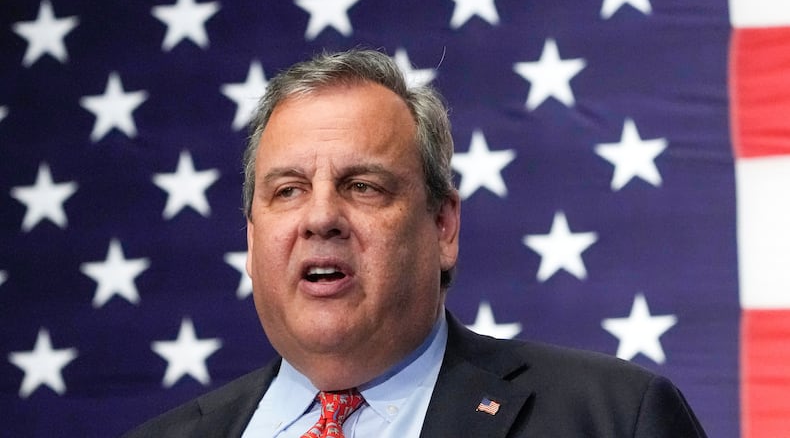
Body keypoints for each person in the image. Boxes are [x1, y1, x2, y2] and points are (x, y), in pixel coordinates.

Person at [124, 49, 706, 437]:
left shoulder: (610, 420)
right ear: (252, 241)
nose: (321, 216)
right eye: (289, 190)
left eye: (363, 186)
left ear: (442, 226)